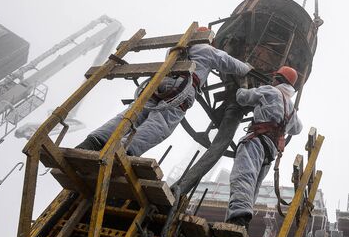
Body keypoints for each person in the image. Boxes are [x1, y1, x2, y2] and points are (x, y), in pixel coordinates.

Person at [75, 27, 251, 156]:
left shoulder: (177, 49)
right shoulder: (209, 50)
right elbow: (234, 66)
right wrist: (247, 67)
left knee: (132, 114)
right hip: (183, 88)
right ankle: (123, 153)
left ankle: (94, 142)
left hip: (159, 85)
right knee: (161, 122)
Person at [225, 66, 303, 229]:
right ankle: (242, 221)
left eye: (275, 78)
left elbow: (242, 98)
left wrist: (243, 85)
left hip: (256, 142)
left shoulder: (270, 91)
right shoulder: (292, 109)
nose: (272, 80)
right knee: (254, 185)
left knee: (243, 176)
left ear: (278, 80)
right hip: (270, 152)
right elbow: (298, 129)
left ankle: (238, 217)